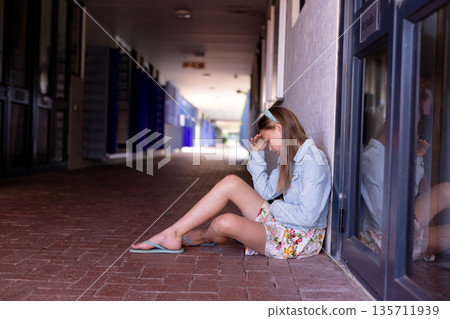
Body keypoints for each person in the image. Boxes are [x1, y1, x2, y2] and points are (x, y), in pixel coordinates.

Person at [130, 106, 331, 259]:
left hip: (298, 238)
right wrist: (257, 157)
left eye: (268, 141)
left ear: (279, 128)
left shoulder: (314, 162)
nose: (269, 147)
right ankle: (173, 233)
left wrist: (276, 206)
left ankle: (203, 235)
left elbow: (307, 218)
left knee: (223, 222)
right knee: (231, 181)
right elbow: (267, 193)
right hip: (283, 222)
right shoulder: (288, 156)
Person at [359, 123, 450, 260]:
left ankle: (422, 239)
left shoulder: (384, 155)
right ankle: (420, 246)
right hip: (381, 239)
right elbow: (382, 222)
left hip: (396, 221)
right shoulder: (376, 165)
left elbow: (406, 195)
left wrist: (417, 157)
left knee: (446, 190)